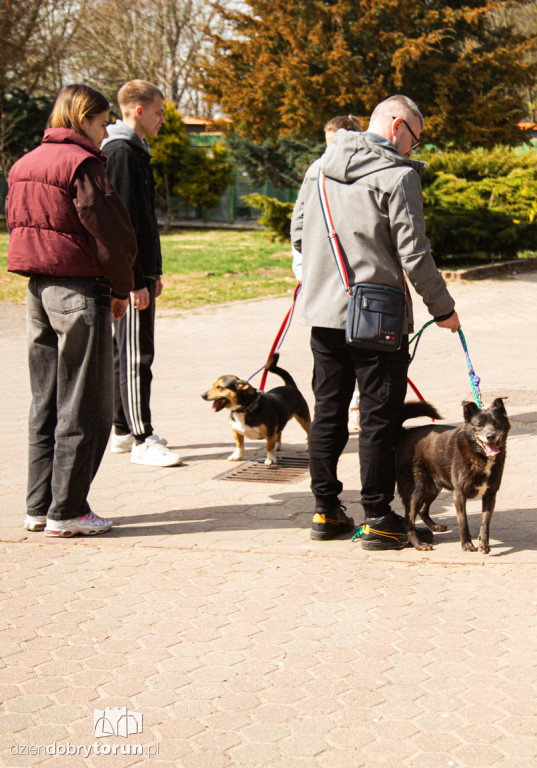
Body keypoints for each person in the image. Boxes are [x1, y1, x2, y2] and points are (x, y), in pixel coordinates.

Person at [290, 94, 460, 550]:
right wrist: (443, 309)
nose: (412, 149)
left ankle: (325, 511)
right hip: (379, 317)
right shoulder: (398, 177)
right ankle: (379, 517)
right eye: (415, 139)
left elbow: (299, 235)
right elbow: (415, 254)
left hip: (324, 313)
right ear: (397, 125)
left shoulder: (318, 168)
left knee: (327, 412)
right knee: (379, 419)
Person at [6, 84, 137, 537]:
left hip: (37, 290)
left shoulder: (23, 163)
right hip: (80, 290)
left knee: (46, 399)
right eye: (102, 123)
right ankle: (69, 509)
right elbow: (113, 234)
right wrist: (122, 286)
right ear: (83, 119)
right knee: (85, 402)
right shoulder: (82, 164)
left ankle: (39, 506)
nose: (105, 134)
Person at [102, 80, 182, 468]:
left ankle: (121, 428)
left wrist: (154, 273)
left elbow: (145, 223)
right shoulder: (120, 152)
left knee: (131, 351)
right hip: (129, 279)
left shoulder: (136, 152)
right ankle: (140, 436)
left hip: (141, 274)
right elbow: (123, 225)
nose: (163, 120)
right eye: (158, 112)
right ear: (138, 110)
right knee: (136, 355)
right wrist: (134, 280)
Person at [291, 115, 362, 433]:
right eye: (328, 143)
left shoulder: (320, 172)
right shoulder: (318, 171)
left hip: (345, 296)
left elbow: (298, 229)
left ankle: (355, 409)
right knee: (333, 379)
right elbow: (299, 231)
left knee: (342, 379)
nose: (333, 150)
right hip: (338, 294)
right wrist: (305, 272)